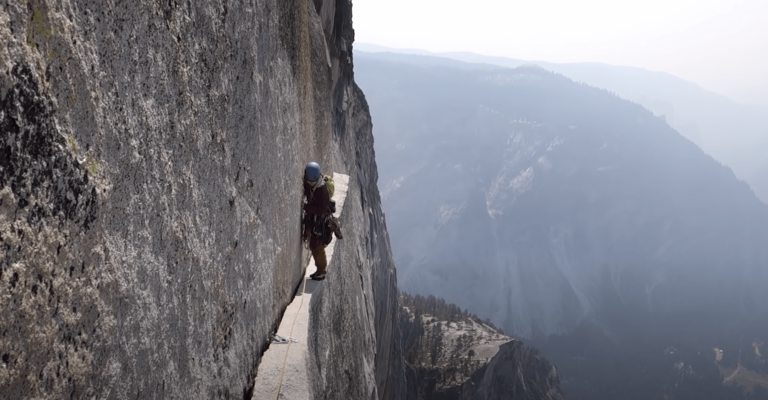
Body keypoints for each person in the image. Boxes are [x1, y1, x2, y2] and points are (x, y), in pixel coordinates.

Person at [302, 162, 332, 280]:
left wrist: (308, 208)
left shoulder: (322, 190)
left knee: (317, 246)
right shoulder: (311, 183)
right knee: (314, 244)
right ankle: (320, 269)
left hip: (321, 221)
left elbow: (323, 208)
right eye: (308, 181)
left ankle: (322, 271)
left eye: (311, 182)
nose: (309, 184)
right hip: (314, 218)